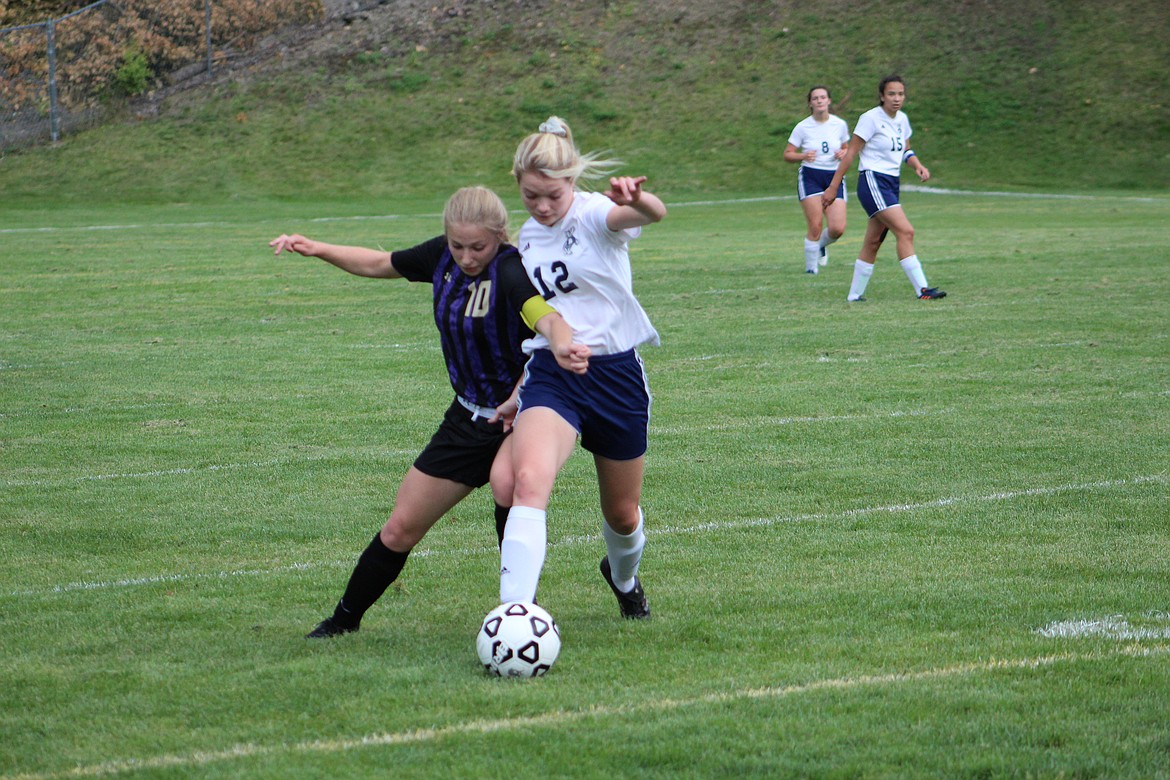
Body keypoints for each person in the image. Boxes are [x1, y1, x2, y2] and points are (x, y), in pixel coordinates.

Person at [269, 186, 591, 638]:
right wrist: (317, 249)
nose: (466, 256)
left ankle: (523, 619)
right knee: (401, 528)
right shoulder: (441, 257)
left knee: (510, 486)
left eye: (477, 246)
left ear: (499, 236)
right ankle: (343, 622)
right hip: (466, 420)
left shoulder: (511, 269)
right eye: (457, 245)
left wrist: (558, 340)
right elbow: (379, 263)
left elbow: (543, 317)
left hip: (521, 414)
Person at [491, 116, 666, 620]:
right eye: (530, 196)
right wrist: (522, 385)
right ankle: (515, 615)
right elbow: (540, 322)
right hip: (554, 377)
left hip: (616, 379)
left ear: (572, 182)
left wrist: (635, 198)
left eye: (552, 195)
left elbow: (653, 214)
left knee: (622, 515)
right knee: (527, 482)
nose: (542, 207)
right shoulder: (525, 238)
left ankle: (624, 577)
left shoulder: (594, 214)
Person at [823, 75, 947, 301]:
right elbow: (851, 153)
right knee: (906, 231)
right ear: (882, 96)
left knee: (873, 241)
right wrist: (833, 187)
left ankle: (854, 295)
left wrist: (917, 165)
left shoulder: (902, 120)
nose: (896, 98)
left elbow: (906, 150)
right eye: (891, 94)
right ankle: (923, 290)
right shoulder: (870, 118)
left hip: (891, 183)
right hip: (873, 181)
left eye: (900, 94)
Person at [783, 85, 850, 274]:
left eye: (823, 97)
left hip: (834, 177)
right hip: (811, 176)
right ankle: (811, 270)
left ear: (829, 101)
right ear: (810, 103)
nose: (819, 101)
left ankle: (820, 246)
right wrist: (803, 156)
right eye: (815, 98)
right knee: (815, 225)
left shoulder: (839, 124)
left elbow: (847, 149)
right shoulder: (803, 127)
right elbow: (788, 154)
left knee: (837, 228)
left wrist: (843, 152)